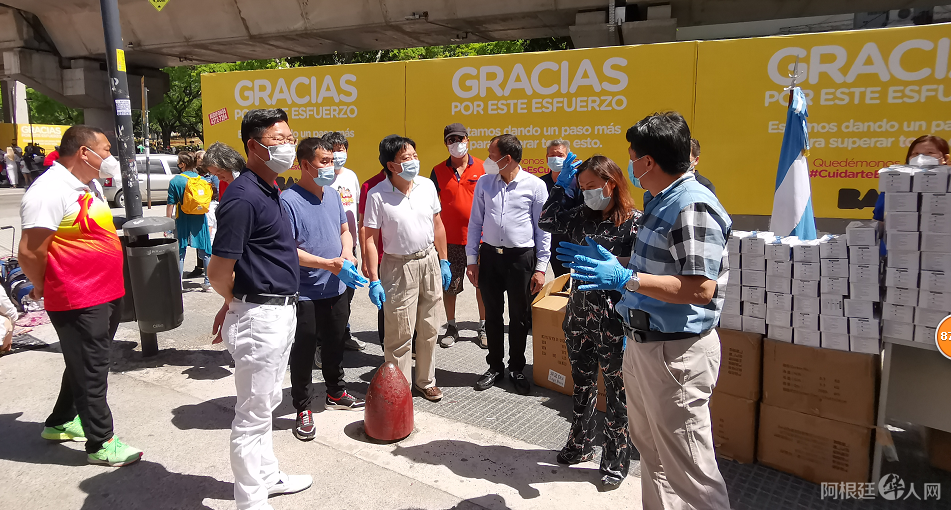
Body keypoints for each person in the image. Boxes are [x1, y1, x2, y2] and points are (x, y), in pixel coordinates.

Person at [559, 112, 732, 509]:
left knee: (691, 473)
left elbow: (701, 288)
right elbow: (657, 267)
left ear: (648, 161)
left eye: (633, 157)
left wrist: (626, 278)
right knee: (654, 458)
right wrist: (617, 263)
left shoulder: (692, 205)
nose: (631, 165)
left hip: (676, 353)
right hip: (644, 344)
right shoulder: (661, 200)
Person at [17, 125, 141, 466]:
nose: (111, 156)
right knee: (92, 368)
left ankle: (60, 422)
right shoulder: (48, 190)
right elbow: (29, 252)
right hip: (78, 297)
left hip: (106, 291)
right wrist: (42, 285)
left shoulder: (89, 185)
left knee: (84, 361)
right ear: (84, 153)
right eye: (106, 149)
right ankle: (101, 442)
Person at [208, 108, 312, 509]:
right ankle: (250, 500)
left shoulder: (270, 189)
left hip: (280, 311)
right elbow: (219, 270)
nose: (288, 146)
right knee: (252, 414)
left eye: (290, 138)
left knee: (267, 403)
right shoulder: (242, 198)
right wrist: (234, 302)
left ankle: (268, 477)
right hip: (260, 317)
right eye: (278, 140)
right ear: (253, 146)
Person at [539, 155, 639, 488]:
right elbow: (546, 220)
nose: (586, 194)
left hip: (615, 321)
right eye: (581, 187)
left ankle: (615, 458)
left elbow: (645, 268)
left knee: (617, 392)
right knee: (582, 384)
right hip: (580, 315)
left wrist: (612, 261)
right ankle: (580, 444)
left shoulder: (634, 222)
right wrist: (560, 186)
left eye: (591, 186)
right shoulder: (581, 216)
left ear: (611, 183)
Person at [282, 137, 369, 441]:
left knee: (334, 343)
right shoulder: (288, 201)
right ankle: (303, 406)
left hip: (336, 286)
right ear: (305, 165)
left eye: (332, 161)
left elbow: (345, 230)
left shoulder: (332, 195)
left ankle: (335, 391)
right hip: (304, 291)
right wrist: (328, 264)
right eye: (324, 161)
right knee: (304, 350)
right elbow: (288, 251)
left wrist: (347, 255)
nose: (331, 167)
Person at [363, 135, 451, 402]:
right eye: (406, 158)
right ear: (391, 165)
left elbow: (438, 224)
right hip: (398, 266)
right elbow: (369, 238)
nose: (413, 161)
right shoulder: (377, 195)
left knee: (429, 326)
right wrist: (374, 279)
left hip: (429, 261)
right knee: (400, 331)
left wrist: (444, 260)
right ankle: (399, 388)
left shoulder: (426, 186)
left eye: (414, 155)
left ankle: (426, 381)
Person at [467, 134, 551, 395]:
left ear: (508, 158)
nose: (488, 160)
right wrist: (472, 260)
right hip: (490, 256)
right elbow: (475, 223)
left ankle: (516, 367)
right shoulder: (485, 183)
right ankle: (495, 366)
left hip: (521, 259)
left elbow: (543, 230)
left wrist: (541, 267)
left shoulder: (535, 186)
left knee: (519, 317)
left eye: (492, 156)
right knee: (492, 314)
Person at [430, 123, 487, 348]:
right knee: (450, 286)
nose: (456, 144)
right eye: (451, 140)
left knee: (482, 285)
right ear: (446, 144)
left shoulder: (483, 167)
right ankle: (452, 327)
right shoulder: (437, 171)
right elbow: (431, 205)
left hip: (480, 239)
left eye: (459, 139)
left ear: (467, 140)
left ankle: (483, 326)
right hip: (450, 240)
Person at [321, 131, 366, 351]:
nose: (339, 154)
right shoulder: (322, 179)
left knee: (347, 295)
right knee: (328, 298)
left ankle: (343, 334)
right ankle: (323, 343)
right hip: (329, 249)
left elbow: (356, 211)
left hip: (350, 247)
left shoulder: (351, 176)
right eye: (334, 150)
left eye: (342, 150)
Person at [873, 134, 949, 256]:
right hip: (896, 253)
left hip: (940, 253)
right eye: (915, 154)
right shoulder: (892, 187)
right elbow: (879, 220)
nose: (921, 158)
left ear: (945, 158)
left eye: (930, 153)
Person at [166, 151, 213, 291]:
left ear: (183, 164)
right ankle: (208, 282)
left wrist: (168, 224)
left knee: (180, 251)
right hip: (200, 218)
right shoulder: (202, 180)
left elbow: (170, 204)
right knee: (205, 250)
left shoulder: (175, 181)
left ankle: (178, 283)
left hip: (182, 218)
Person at [539, 139, 579, 278]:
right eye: (552, 155)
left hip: (568, 241)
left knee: (570, 280)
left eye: (560, 155)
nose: (556, 158)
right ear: (547, 158)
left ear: (568, 157)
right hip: (545, 239)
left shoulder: (577, 182)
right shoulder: (540, 183)